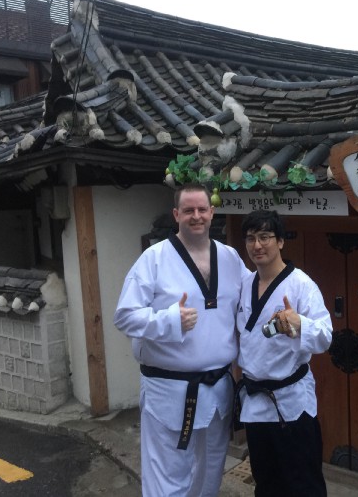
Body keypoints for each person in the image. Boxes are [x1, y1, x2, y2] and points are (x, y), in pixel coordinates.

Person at [114, 183, 249, 497]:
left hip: (217, 389)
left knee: (211, 471)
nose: (197, 216)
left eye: (202, 209)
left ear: (212, 212)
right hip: (170, 391)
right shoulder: (154, 259)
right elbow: (124, 316)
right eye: (188, 210)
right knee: (168, 477)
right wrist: (169, 321)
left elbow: (250, 305)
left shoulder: (230, 258)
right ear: (176, 214)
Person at [236, 209, 333, 497]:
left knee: (304, 485)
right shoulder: (244, 285)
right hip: (255, 403)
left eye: (265, 237)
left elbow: (326, 337)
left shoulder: (301, 284)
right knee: (266, 484)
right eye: (251, 238)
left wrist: (299, 323)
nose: (257, 245)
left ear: (280, 242)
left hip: (292, 405)